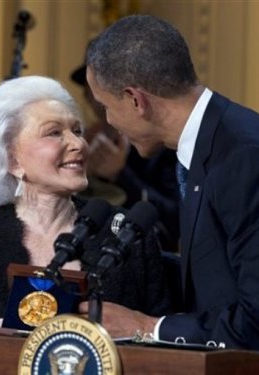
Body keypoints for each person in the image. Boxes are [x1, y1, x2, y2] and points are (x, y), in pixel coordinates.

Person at [78, 14, 259, 350]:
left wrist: (148, 326)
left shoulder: (244, 157)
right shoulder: (213, 144)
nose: (108, 121)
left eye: (106, 106)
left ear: (136, 100)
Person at [0, 75, 172, 329]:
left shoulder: (126, 233)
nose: (78, 144)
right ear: (12, 160)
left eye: (76, 131)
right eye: (53, 133)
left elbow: (162, 337)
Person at [71, 63, 180, 251]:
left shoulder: (166, 145)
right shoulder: (77, 142)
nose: (100, 97)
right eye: (93, 88)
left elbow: (174, 217)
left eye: (108, 87)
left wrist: (120, 174)